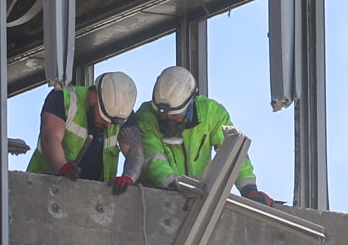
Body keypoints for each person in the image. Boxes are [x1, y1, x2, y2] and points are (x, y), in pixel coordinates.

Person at [136, 66, 276, 204]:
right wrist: (173, 185)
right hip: (156, 197)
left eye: (176, 116)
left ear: (190, 103)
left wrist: (249, 189)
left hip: (198, 199)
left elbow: (233, 152)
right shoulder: (146, 117)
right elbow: (153, 159)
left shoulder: (212, 113)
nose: (169, 122)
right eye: (163, 116)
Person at [26, 72, 143, 192]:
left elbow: (134, 149)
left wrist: (128, 178)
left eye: (112, 122)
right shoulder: (64, 98)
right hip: (43, 188)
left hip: (94, 197)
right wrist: (61, 166)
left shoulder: (121, 114)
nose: (108, 125)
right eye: (104, 118)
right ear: (93, 97)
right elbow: (50, 137)